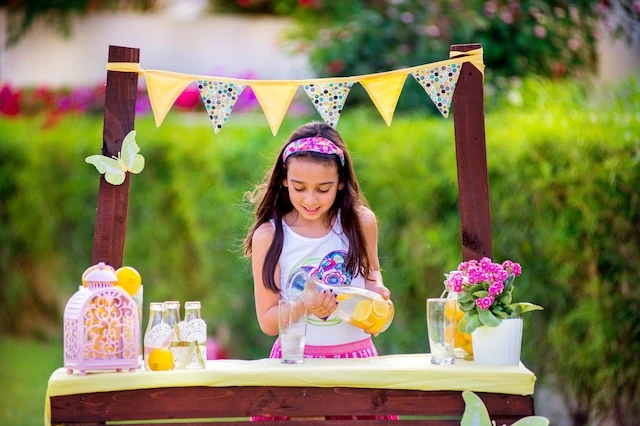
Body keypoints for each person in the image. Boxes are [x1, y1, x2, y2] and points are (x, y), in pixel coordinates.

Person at [244, 122, 397, 421]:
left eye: (323, 189)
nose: (310, 200)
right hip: (295, 369)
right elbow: (267, 321)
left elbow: (371, 274)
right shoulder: (270, 236)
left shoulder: (360, 222)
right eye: (299, 188)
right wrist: (305, 307)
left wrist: (377, 291)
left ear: (341, 182)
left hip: (357, 364)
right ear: (285, 181)